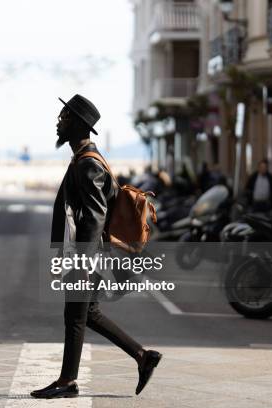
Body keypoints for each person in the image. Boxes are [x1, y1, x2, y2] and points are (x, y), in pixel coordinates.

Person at [31, 94, 162, 399]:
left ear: (78, 124)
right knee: (86, 313)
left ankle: (67, 381)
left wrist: (82, 263)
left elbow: (94, 216)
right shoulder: (84, 158)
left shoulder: (88, 163)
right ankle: (143, 357)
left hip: (86, 256)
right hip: (89, 255)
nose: (58, 122)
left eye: (63, 117)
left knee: (75, 316)